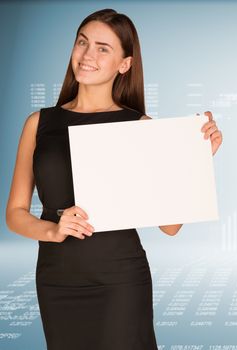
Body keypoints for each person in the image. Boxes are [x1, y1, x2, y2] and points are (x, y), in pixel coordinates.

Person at [5, 9, 222, 350]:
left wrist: (195, 161)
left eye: (103, 48)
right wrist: (53, 229)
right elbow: (15, 212)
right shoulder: (39, 123)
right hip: (56, 279)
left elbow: (170, 226)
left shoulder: (141, 127)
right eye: (82, 42)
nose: (87, 55)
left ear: (125, 64)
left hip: (120, 280)